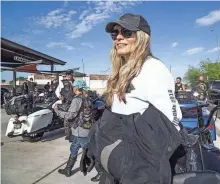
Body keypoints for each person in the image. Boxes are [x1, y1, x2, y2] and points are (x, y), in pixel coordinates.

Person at [80, 13, 183, 184]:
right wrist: (95, 143)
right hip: (118, 169)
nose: (118, 37)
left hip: (140, 171)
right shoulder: (122, 72)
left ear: (141, 38)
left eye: (127, 32)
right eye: (115, 34)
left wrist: (143, 169)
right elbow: (115, 116)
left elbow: (171, 121)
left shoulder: (153, 68)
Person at [53, 80, 93, 177]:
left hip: (80, 130)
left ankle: (99, 169)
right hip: (86, 128)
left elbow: (70, 115)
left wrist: (57, 110)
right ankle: (68, 169)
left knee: (85, 151)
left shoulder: (77, 99)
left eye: (74, 87)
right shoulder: (88, 98)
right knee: (76, 148)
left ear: (76, 88)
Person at [55, 70, 75, 140]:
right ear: (66, 75)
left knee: (74, 118)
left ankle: (74, 133)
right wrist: (59, 96)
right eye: (68, 75)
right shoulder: (62, 82)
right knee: (66, 118)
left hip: (74, 102)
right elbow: (57, 91)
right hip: (66, 102)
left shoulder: (75, 82)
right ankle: (68, 134)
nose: (69, 76)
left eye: (70, 74)